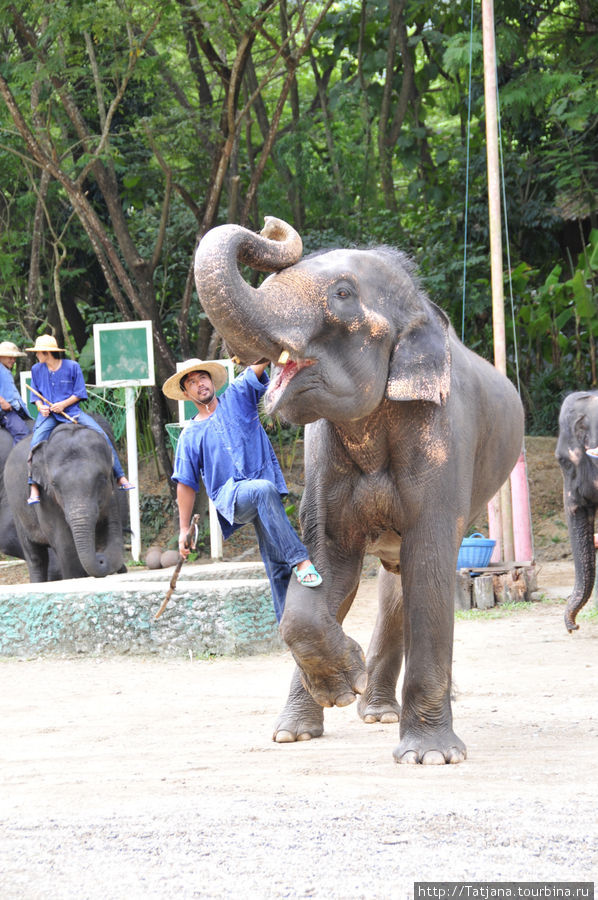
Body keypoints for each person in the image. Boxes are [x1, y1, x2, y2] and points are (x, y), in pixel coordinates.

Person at [162, 358, 322, 622]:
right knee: (261, 490)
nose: (199, 384)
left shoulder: (237, 395)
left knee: (276, 567)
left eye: (203, 377)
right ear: (186, 393)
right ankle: (300, 560)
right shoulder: (189, 435)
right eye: (192, 382)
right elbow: (186, 485)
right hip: (232, 497)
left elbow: (258, 365)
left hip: (264, 492)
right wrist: (182, 530)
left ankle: (288, 631)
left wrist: (271, 349)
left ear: (212, 382)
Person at [25, 334, 134, 504]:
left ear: (47, 353)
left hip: (72, 412)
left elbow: (79, 393)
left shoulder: (72, 367)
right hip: (49, 416)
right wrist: (41, 408)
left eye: (38, 352)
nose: (36, 355)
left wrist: (62, 404)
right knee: (35, 443)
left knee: (101, 435)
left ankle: (120, 477)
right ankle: (33, 486)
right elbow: (35, 395)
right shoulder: (36, 370)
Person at [0, 340, 33, 444]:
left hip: (14, 409)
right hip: (4, 411)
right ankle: (17, 460)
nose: (13, 360)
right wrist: (1, 401)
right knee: (22, 434)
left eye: (14, 358)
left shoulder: (5, 369)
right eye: (10, 357)